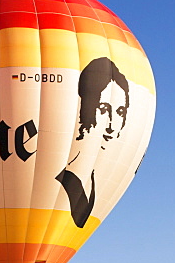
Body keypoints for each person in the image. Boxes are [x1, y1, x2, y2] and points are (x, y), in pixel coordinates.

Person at [55, 56, 131, 228]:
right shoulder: (60, 180)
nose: (111, 123)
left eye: (120, 111)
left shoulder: (94, 181)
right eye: (104, 108)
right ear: (85, 108)